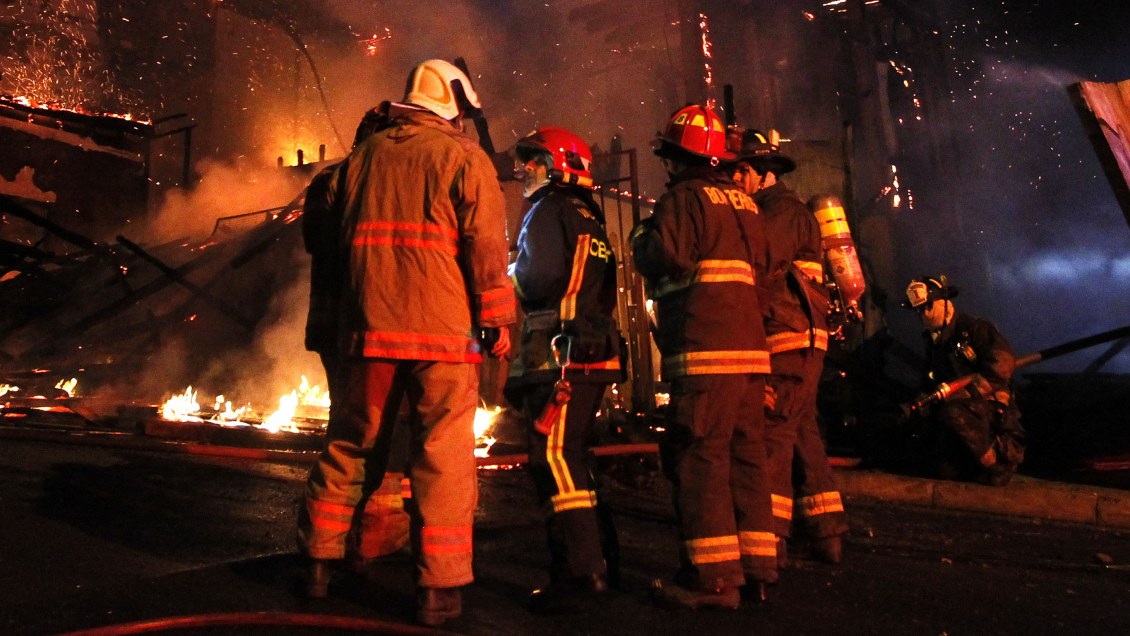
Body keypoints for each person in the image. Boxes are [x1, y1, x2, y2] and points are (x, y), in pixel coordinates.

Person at [296, 58, 515, 627]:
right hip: (443, 337)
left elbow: (322, 239)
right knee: (443, 457)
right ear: (452, 102)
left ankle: (318, 564)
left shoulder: (360, 159)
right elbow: (487, 249)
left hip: (369, 330)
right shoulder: (464, 158)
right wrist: (497, 319)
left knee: (350, 445)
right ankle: (438, 591)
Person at [632, 104, 776, 609]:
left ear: (677, 157)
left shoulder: (683, 200)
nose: (666, 165)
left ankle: (713, 580)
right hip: (751, 354)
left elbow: (663, 256)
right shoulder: (744, 203)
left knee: (702, 458)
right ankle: (758, 568)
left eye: (668, 155)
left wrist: (639, 237)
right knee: (747, 456)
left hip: (706, 352)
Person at [503, 126, 622, 614]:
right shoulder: (590, 216)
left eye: (532, 161)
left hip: (560, 359)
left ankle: (580, 573)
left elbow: (537, 278)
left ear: (555, 164)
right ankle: (600, 560)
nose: (524, 171)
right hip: (591, 355)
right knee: (572, 457)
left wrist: (510, 270)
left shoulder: (547, 211)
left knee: (554, 460)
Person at [299, 104, 413, 584]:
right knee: (383, 434)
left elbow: (317, 243)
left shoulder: (328, 181)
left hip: (335, 328)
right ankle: (367, 543)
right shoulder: (376, 184)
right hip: (373, 325)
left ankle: (324, 554)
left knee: (345, 430)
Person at [733, 128, 848, 565]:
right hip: (804, 338)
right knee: (802, 431)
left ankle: (771, 541)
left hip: (786, 337)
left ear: (763, 173)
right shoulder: (783, 209)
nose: (734, 179)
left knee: (771, 435)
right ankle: (826, 531)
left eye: (740, 170)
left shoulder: (779, 211)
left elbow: (760, 270)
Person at [903, 275, 1025, 486]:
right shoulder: (934, 343)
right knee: (943, 470)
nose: (922, 314)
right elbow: (929, 379)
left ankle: (998, 467)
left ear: (942, 301)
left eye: (927, 307)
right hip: (957, 413)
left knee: (954, 412)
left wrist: (967, 392)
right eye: (918, 310)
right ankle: (971, 466)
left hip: (988, 410)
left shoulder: (975, 328)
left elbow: (1002, 366)